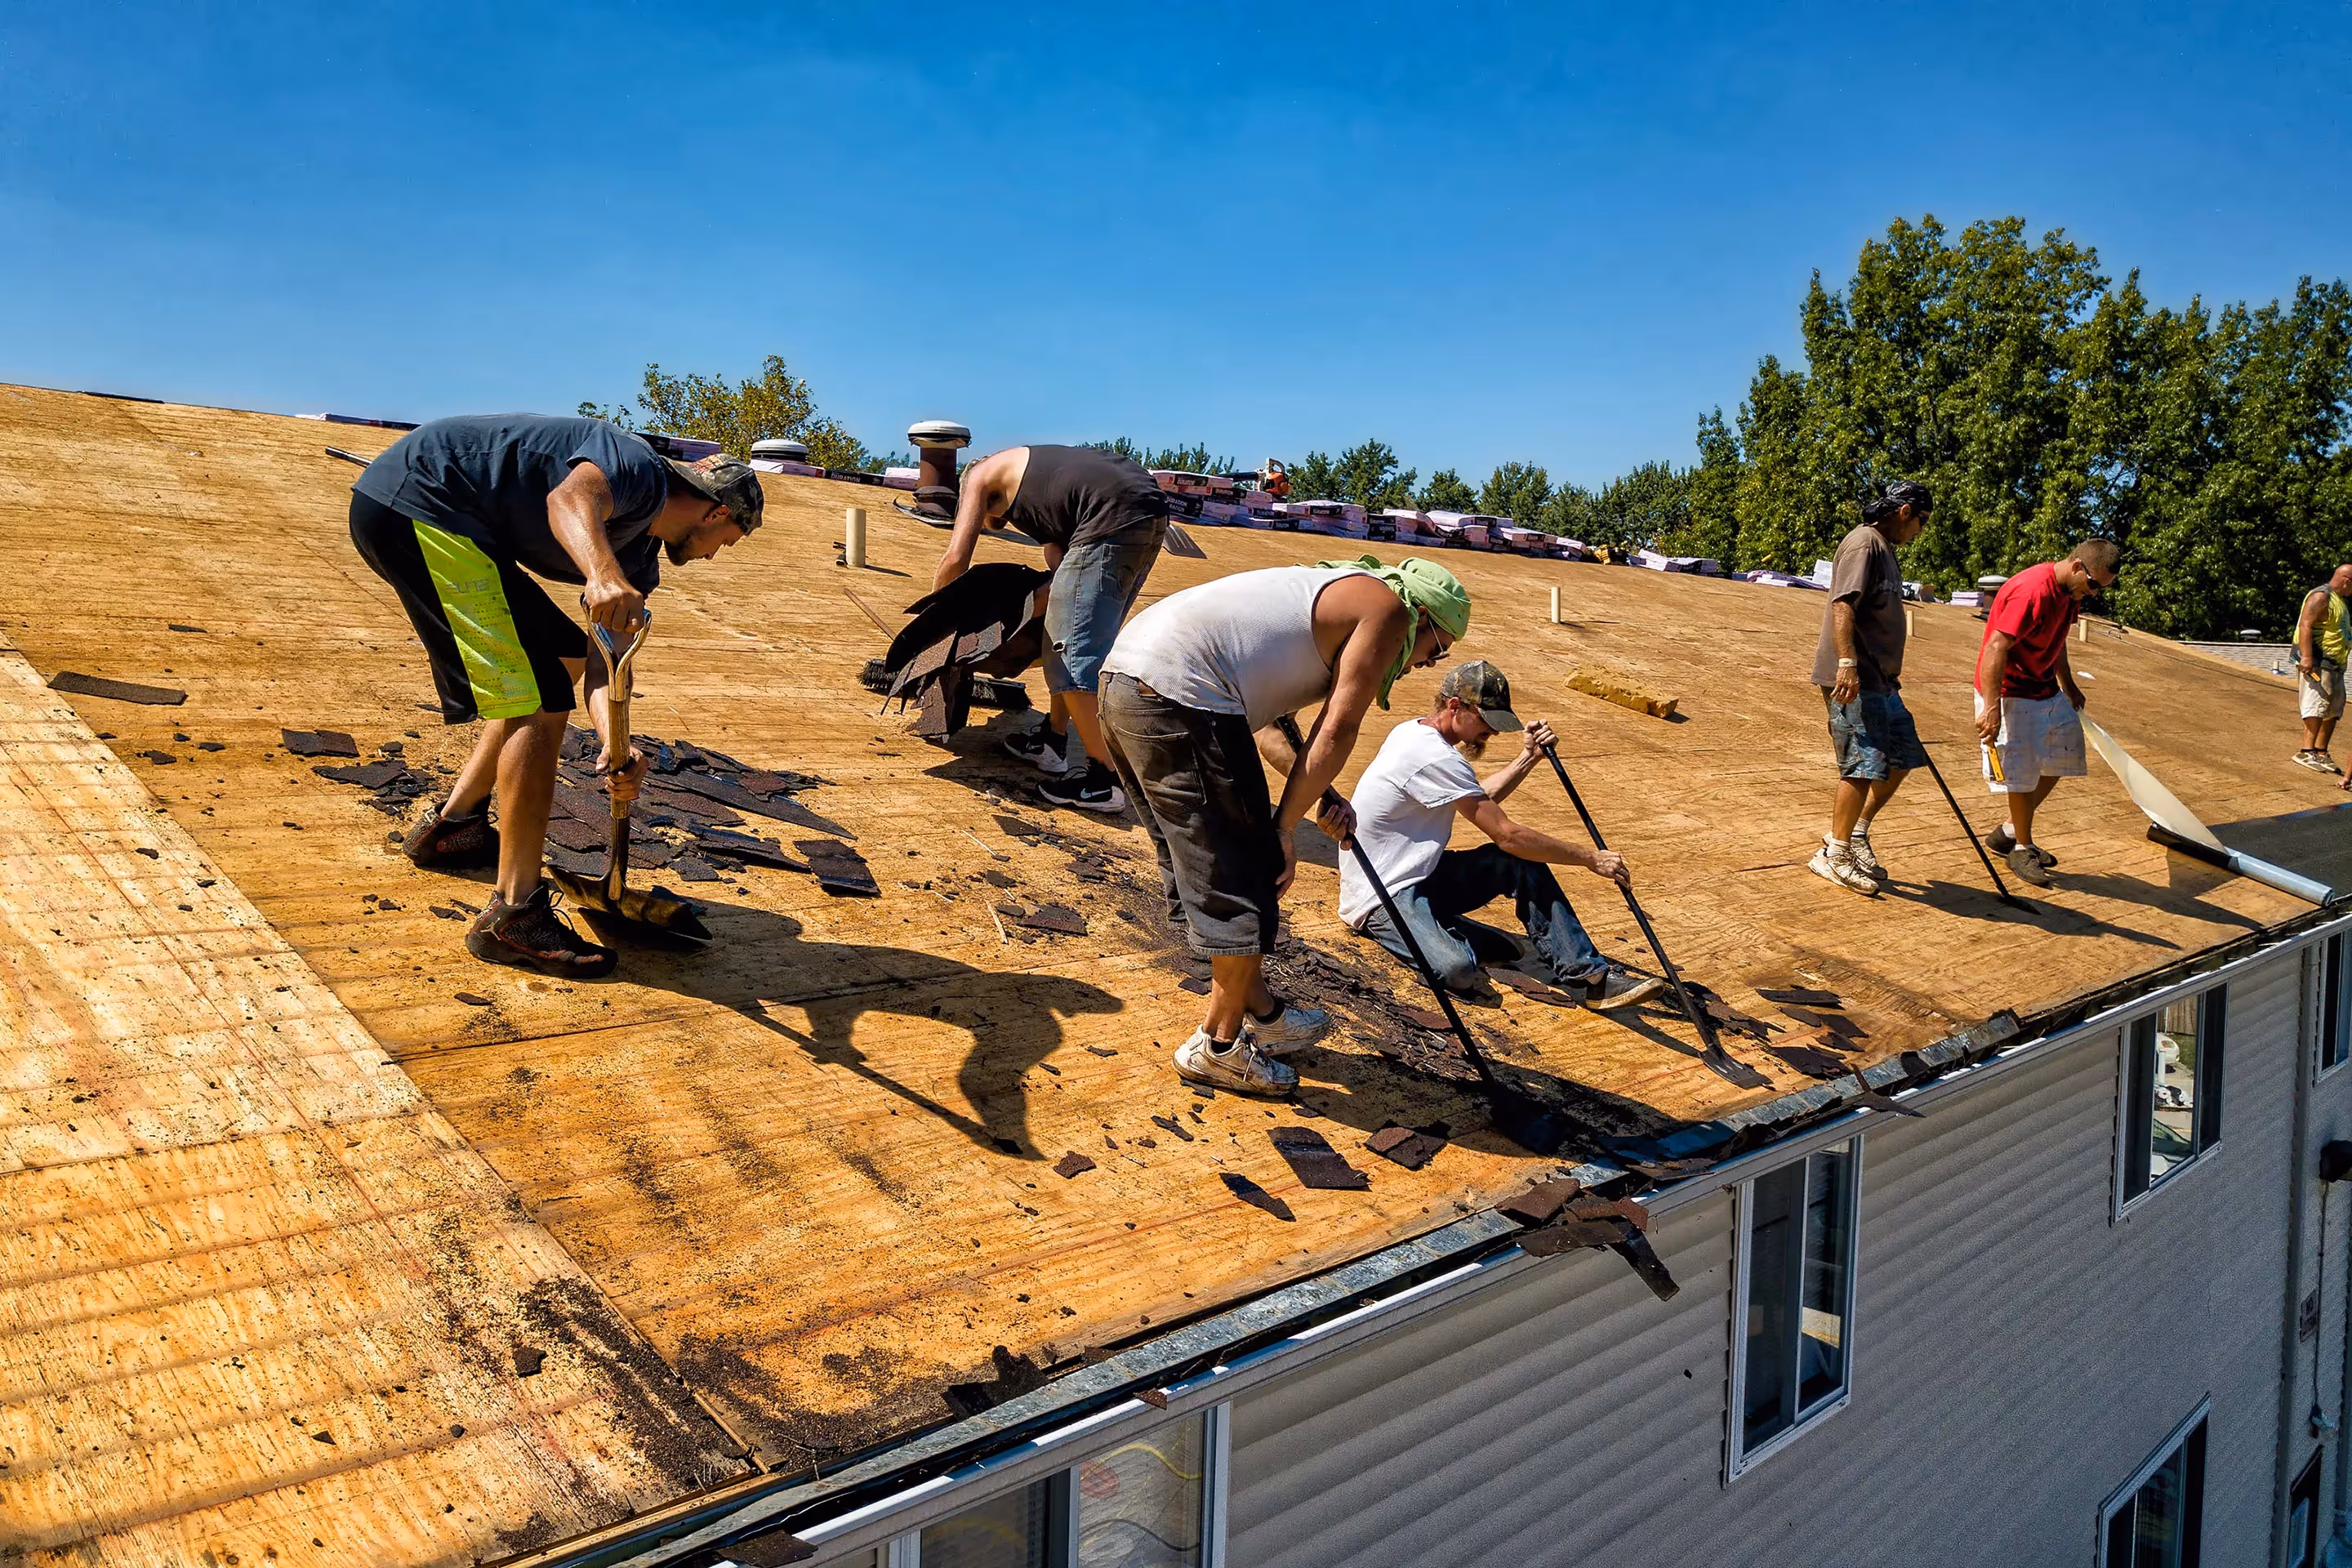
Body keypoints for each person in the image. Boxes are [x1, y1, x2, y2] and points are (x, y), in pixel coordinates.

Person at [349, 416, 762, 978]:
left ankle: (453, 827)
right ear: (716, 512)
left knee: (562, 659)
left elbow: (603, 666)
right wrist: (599, 572)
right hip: (418, 502)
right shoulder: (638, 469)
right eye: (728, 541)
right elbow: (571, 497)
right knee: (539, 696)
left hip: (452, 523)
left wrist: (617, 745)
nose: (716, 554)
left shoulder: (640, 558)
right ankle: (513, 915)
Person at [1098, 555, 1471, 1094]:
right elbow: (1338, 729)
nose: (1425, 665)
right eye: (1437, 650)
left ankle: (1266, 1017)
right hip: (1181, 696)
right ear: (1423, 618)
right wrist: (1284, 827)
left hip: (1129, 686)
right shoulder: (1388, 611)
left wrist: (1321, 797)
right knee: (1245, 878)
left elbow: (1274, 727)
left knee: (1204, 871)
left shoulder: (1332, 595)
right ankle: (1220, 1048)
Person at [1340, 662, 1665, 1008]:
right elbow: (1507, 834)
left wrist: (1529, 757)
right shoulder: (1433, 755)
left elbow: (1481, 797)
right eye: (1487, 723)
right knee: (1458, 971)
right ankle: (1441, 933)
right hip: (1380, 893)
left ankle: (1590, 976)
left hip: (1419, 872)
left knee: (1520, 864)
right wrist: (1590, 858)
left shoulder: (1414, 732)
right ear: (1455, 707)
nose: (1492, 734)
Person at [933, 445, 1169, 813]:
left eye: (994, 514)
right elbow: (1060, 569)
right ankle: (1052, 741)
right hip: (1148, 514)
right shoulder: (1040, 482)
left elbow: (956, 559)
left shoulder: (979, 476)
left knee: (1072, 657)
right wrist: (1027, 610)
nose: (1004, 519)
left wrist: (937, 626)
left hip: (1111, 519)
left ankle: (1103, 780)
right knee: (1064, 637)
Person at [1807, 480, 1934, 896]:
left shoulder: (1884, 548)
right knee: (1861, 764)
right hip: (1854, 678)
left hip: (1881, 680)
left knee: (1902, 755)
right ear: (1905, 512)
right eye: (1922, 521)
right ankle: (1834, 853)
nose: (1920, 532)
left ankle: (1857, 833)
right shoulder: (1865, 543)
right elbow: (1843, 603)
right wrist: (1846, 663)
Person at [1973, 539, 2123, 887]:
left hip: (2044, 688)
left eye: (2103, 588)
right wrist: (1992, 707)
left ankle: (2009, 831)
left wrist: (2068, 685)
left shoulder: (2070, 594)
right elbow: (1996, 646)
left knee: (2063, 755)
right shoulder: (2032, 592)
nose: (2096, 592)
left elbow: (2058, 640)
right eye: (2095, 584)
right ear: (2076, 567)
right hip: (2011, 691)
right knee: (2021, 770)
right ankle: (2022, 849)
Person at [2292, 564, 2352, 773]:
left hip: (2335, 665)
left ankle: (2320, 752)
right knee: (2315, 705)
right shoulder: (2321, 596)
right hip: (2318, 661)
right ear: (2347, 581)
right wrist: (2307, 657)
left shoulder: (2340, 601)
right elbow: (2305, 624)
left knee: (2333, 709)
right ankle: (2306, 751)